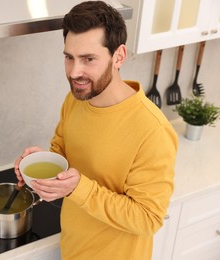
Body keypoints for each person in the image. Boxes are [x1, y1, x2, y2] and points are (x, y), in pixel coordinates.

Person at [14, 1, 178, 259]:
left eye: (88, 59)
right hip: (73, 250)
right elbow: (63, 152)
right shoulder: (76, 99)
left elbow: (148, 219)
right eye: (69, 57)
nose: (74, 72)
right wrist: (41, 164)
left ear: (119, 56)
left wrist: (78, 188)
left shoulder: (152, 130)